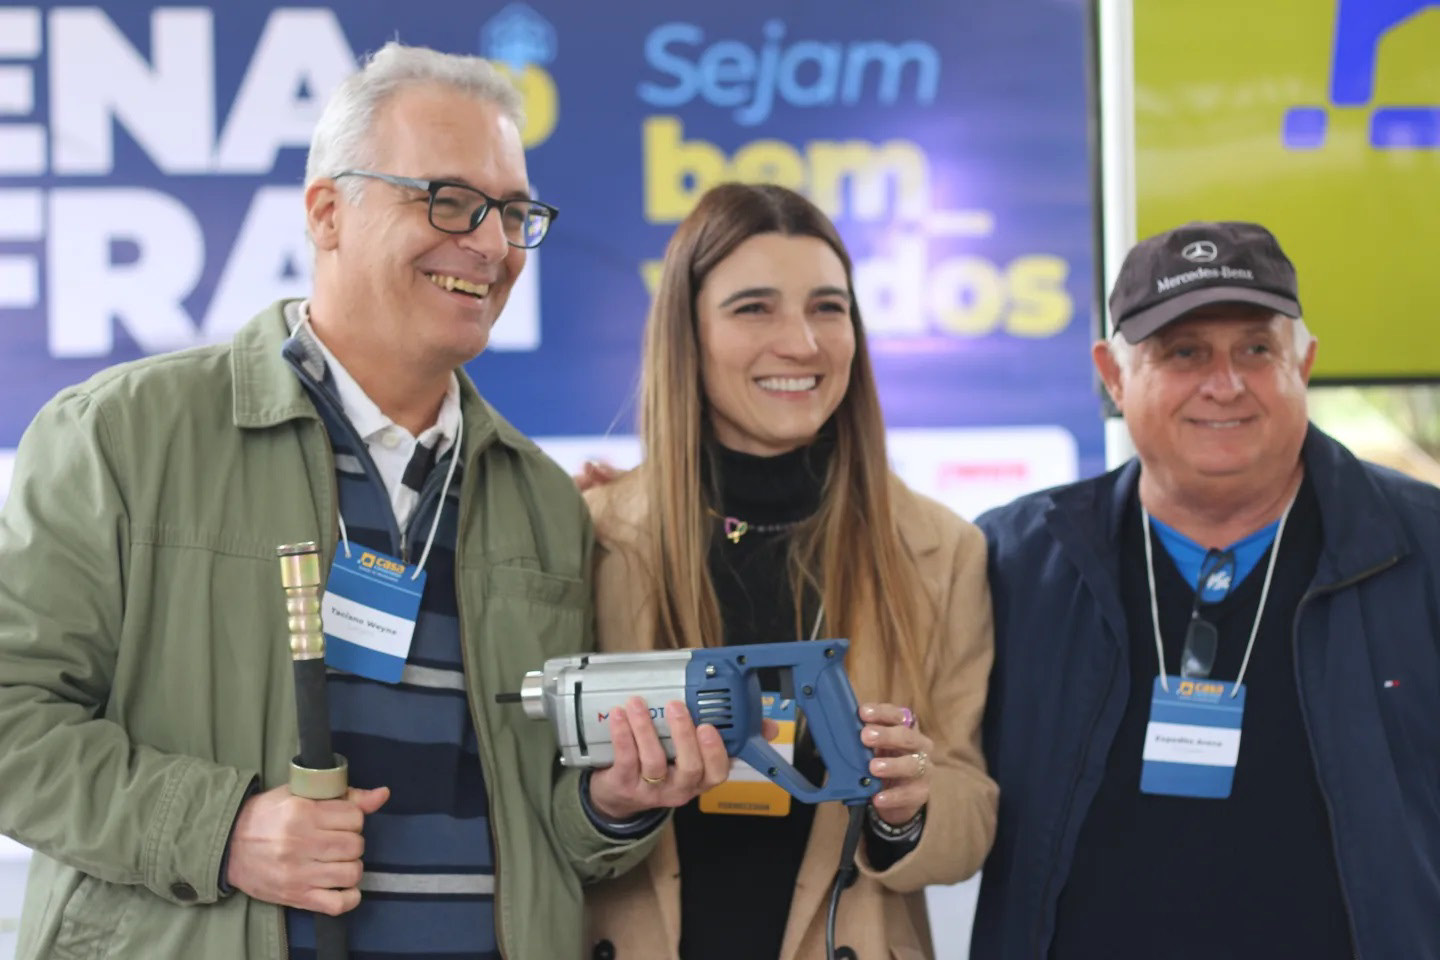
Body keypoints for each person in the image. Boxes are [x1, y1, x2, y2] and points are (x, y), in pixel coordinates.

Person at [0, 42, 724, 960]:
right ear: (328, 212)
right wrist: (220, 833)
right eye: (449, 201)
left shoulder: (540, 496)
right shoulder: (122, 437)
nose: (493, 244)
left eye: (511, 212)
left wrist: (611, 807)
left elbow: (545, 818)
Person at [970, 220, 1440, 959]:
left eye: (1256, 349)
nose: (1224, 385)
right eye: (1183, 352)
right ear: (1114, 374)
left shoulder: (1423, 551)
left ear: (1304, 363)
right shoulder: (1013, 562)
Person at [580, 183, 998, 960]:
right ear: (688, 332)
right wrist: (609, 806)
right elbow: (526, 801)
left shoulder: (942, 550)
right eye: (755, 308)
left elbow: (971, 807)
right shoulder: (593, 537)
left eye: (829, 308)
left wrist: (908, 809)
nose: (803, 343)